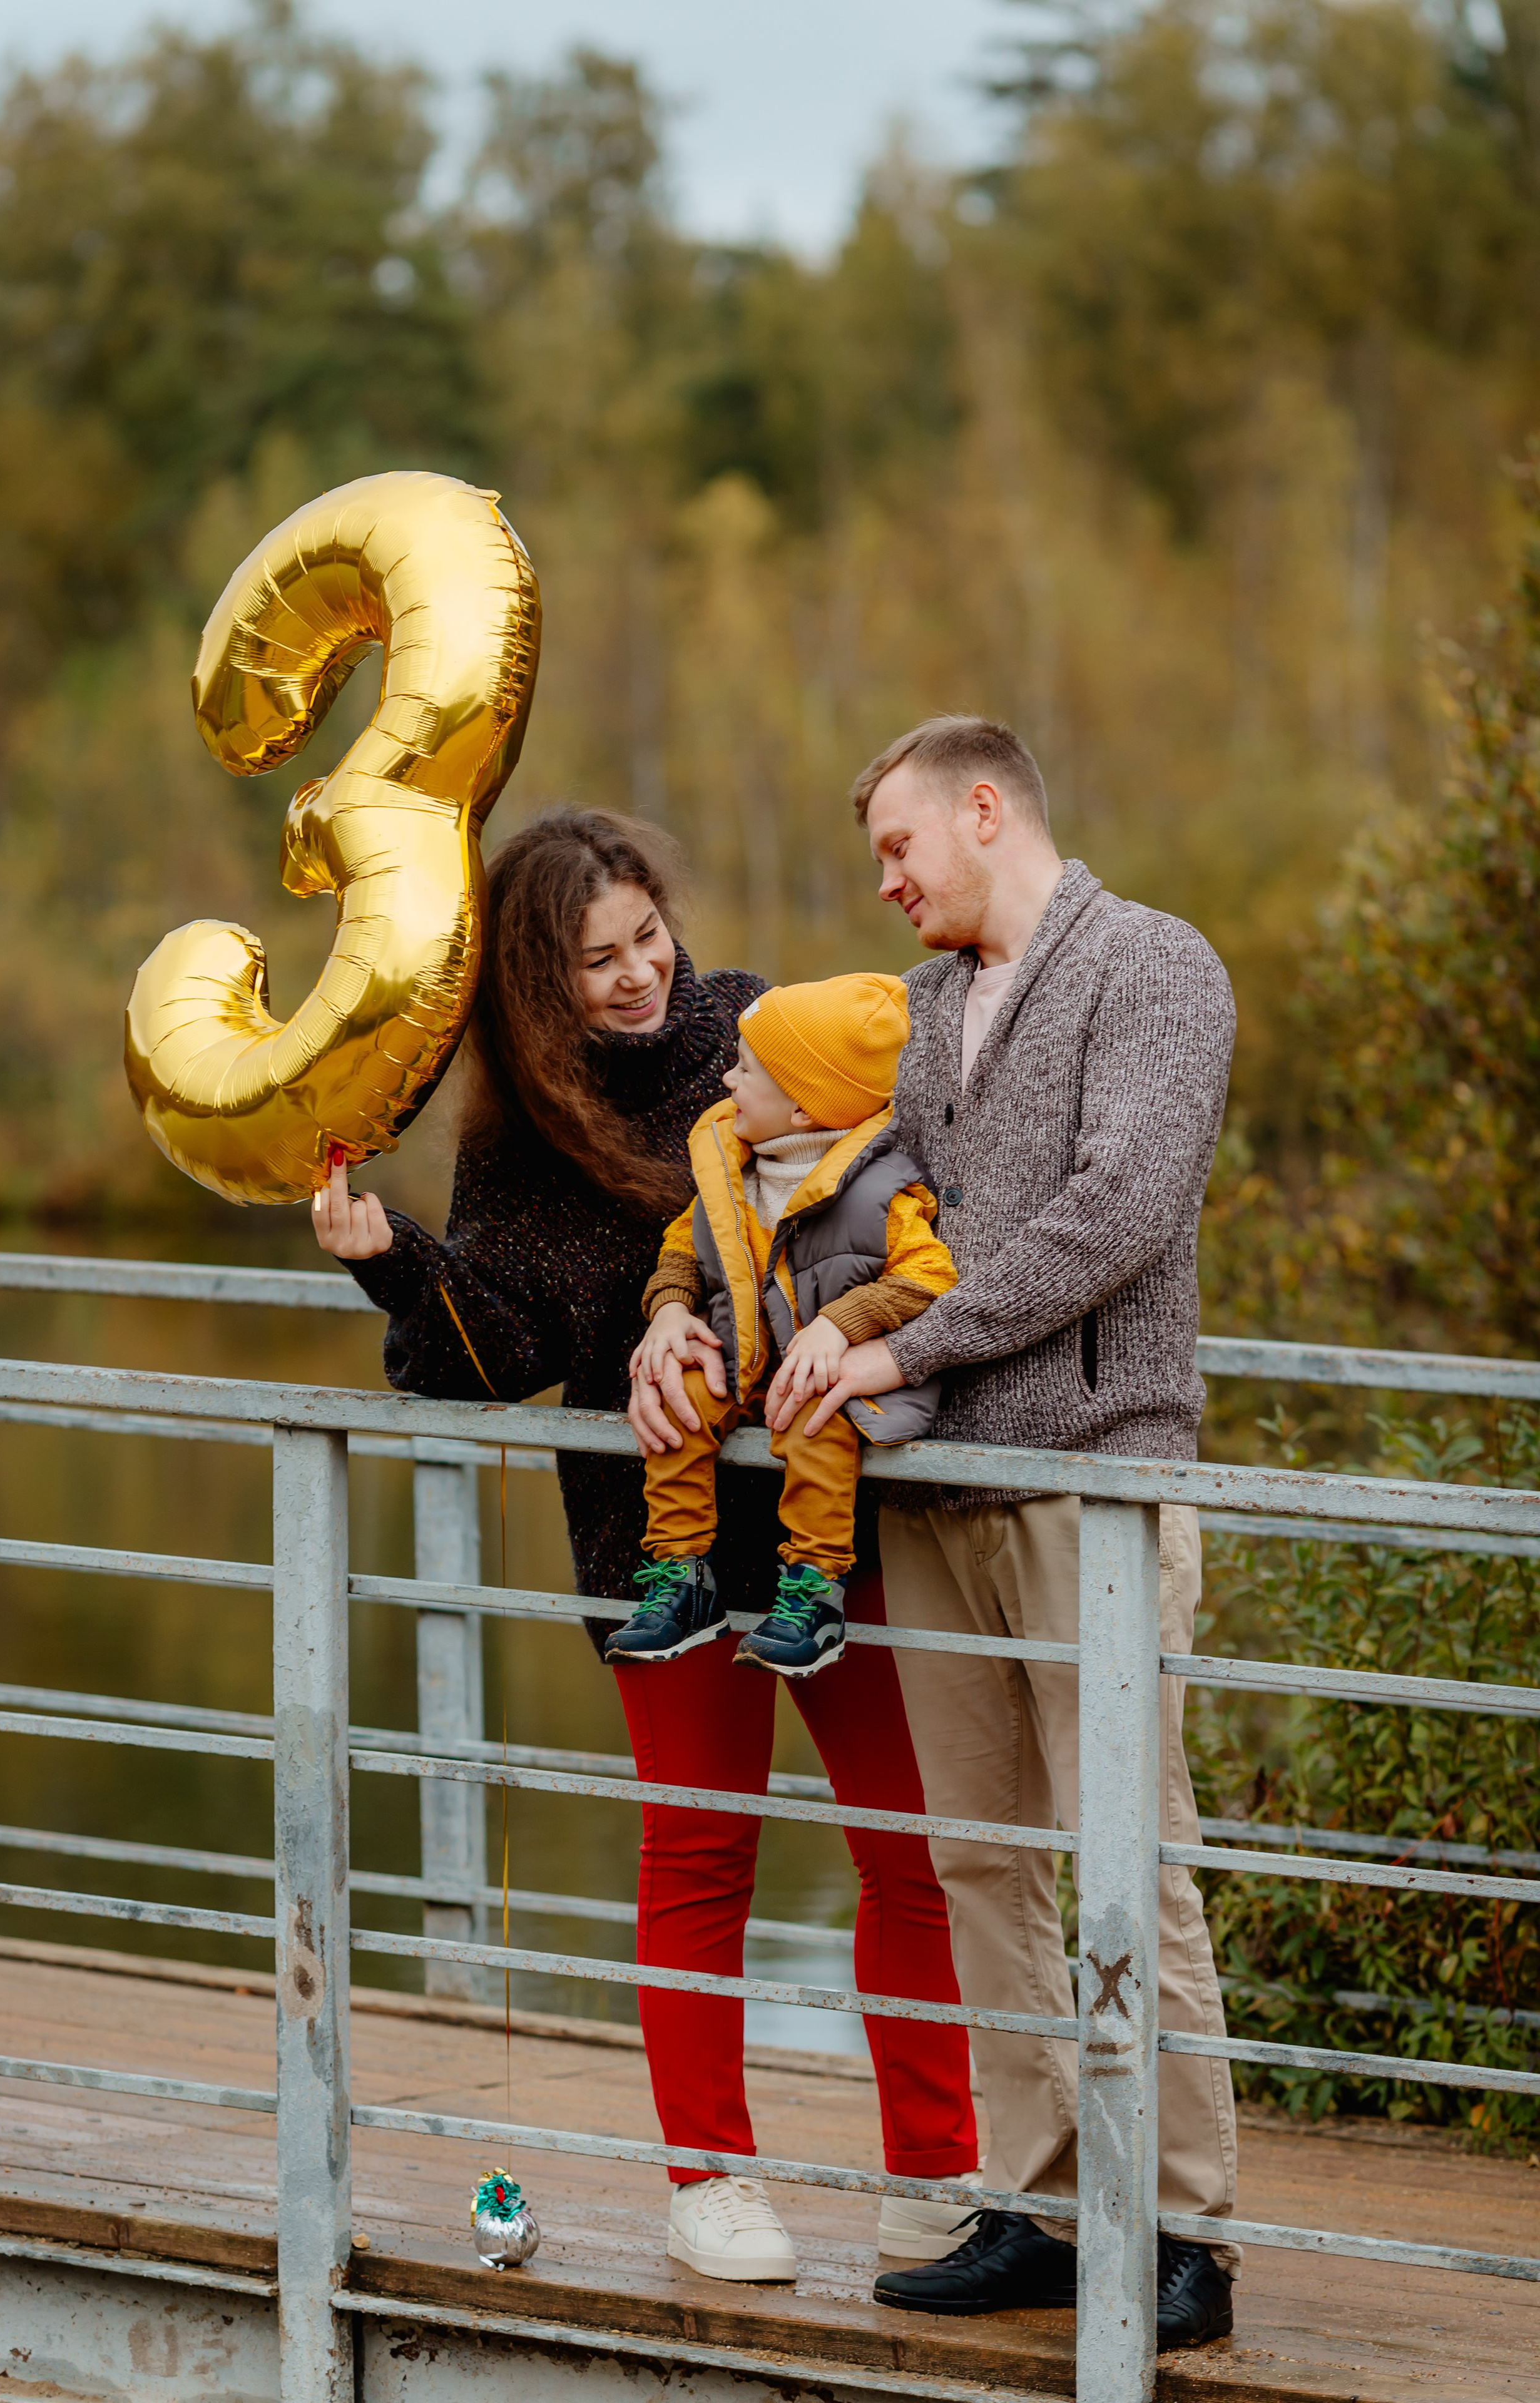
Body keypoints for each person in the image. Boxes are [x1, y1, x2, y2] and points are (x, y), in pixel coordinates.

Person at [312, 807, 979, 2288]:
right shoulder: (522, 1137)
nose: (635, 977)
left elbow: (885, 1199)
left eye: (644, 938)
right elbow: (503, 1344)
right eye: (593, 962)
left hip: (827, 1516)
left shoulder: (759, 1029)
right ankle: (707, 2178)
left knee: (910, 1850)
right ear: (539, 992)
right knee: (698, 1854)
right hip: (652, 1535)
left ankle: (934, 2180)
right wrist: (391, 1260)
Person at [654, 716, 1242, 2349]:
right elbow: (787, 1175)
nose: (888, 884)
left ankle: (1188, 2229)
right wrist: (678, 1308)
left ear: (987, 810)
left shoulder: (1157, 971)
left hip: (1095, 1491)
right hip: (931, 1504)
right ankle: (1039, 2206)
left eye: (902, 850)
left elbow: (1115, 1212)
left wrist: (899, 1343)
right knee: (977, 1864)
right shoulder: (910, 1014)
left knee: (1142, 1866)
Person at [612, 974, 956, 1678]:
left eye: (746, 1068)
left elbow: (928, 1277)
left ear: (802, 1111)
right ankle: (681, 1576)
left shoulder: (878, 1192)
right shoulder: (730, 1166)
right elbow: (684, 1245)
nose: (728, 1079)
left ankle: (813, 1594)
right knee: (677, 1400)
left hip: (822, 1373)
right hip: (739, 1357)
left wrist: (840, 1324)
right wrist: (670, 1308)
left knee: (818, 1422)